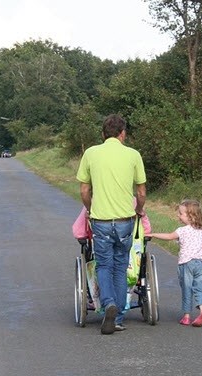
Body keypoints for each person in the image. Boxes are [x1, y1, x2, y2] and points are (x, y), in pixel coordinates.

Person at [76, 114, 146, 334]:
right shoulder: (133, 155)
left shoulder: (90, 153)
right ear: (123, 133)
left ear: (102, 134)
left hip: (101, 220)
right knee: (120, 266)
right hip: (125, 220)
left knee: (103, 265)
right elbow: (141, 192)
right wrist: (137, 210)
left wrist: (89, 209)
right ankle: (118, 317)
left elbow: (85, 190)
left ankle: (108, 304)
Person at [147, 199, 202, 327]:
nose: (178, 216)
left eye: (181, 213)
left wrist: (152, 234)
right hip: (201, 263)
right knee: (199, 288)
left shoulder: (183, 230)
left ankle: (186, 316)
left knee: (187, 289)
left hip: (186, 264)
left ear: (190, 216)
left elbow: (169, 236)